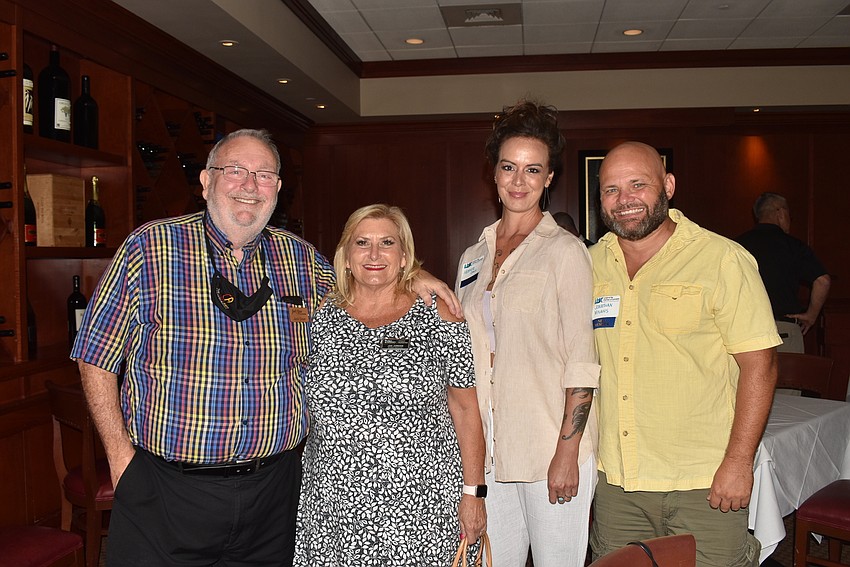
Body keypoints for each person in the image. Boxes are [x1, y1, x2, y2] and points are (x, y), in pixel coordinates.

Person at [70, 129, 459, 566]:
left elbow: (368, 284)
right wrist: (122, 461)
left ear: (277, 189)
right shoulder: (149, 248)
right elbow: (94, 355)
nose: (250, 185)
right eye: (235, 171)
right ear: (205, 181)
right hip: (166, 490)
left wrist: (413, 276)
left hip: (273, 495)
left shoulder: (301, 261)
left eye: (264, 175)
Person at [588, 141, 781, 567]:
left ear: (668, 186)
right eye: (611, 190)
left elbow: (760, 366)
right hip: (619, 486)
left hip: (704, 484)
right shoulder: (589, 265)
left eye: (638, 184)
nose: (625, 201)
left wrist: (738, 463)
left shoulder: (721, 259)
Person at [294, 204, 486, 565]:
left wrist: (473, 492)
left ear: (404, 256)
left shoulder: (438, 313)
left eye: (387, 243)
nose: (374, 254)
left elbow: (465, 407)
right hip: (334, 507)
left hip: (422, 505)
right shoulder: (321, 316)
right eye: (362, 242)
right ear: (346, 256)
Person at [456, 100, 600, 567]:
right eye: (509, 168)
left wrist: (567, 452)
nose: (519, 182)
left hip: (548, 448)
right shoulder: (472, 255)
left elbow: (583, 358)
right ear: (494, 174)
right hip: (492, 452)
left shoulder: (566, 252)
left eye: (532, 170)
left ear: (549, 179)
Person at [736, 192, 831, 353]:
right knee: (788, 378)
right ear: (780, 213)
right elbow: (823, 281)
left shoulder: (737, 246)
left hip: (745, 332)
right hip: (783, 332)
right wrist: (811, 316)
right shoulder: (793, 246)